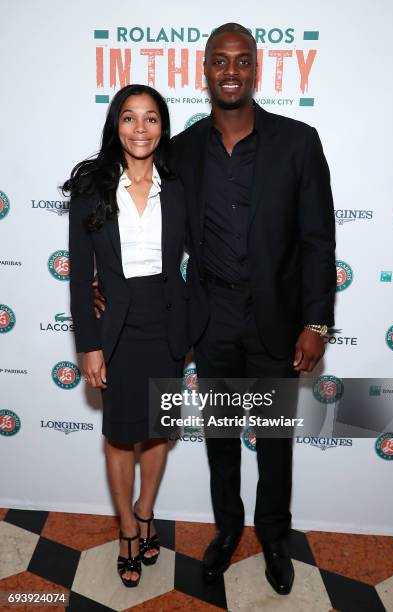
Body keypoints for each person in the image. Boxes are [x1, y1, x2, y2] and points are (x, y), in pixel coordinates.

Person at [95, 23, 336, 595]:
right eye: (220, 61)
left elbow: (319, 242)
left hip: (278, 321)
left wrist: (316, 321)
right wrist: (104, 284)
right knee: (223, 439)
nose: (231, 70)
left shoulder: (299, 142)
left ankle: (274, 538)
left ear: (257, 69)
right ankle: (228, 531)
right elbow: (135, 217)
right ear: (205, 72)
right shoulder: (180, 151)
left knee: (274, 441)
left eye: (242, 60)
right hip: (212, 319)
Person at [65, 84, 189, 588]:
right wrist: (89, 343)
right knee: (120, 435)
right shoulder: (93, 188)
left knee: (157, 428)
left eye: (152, 118)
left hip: (166, 322)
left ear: (163, 127)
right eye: (130, 118)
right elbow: (79, 275)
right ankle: (126, 532)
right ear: (116, 125)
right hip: (116, 328)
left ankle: (145, 510)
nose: (141, 129)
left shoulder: (180, 186)